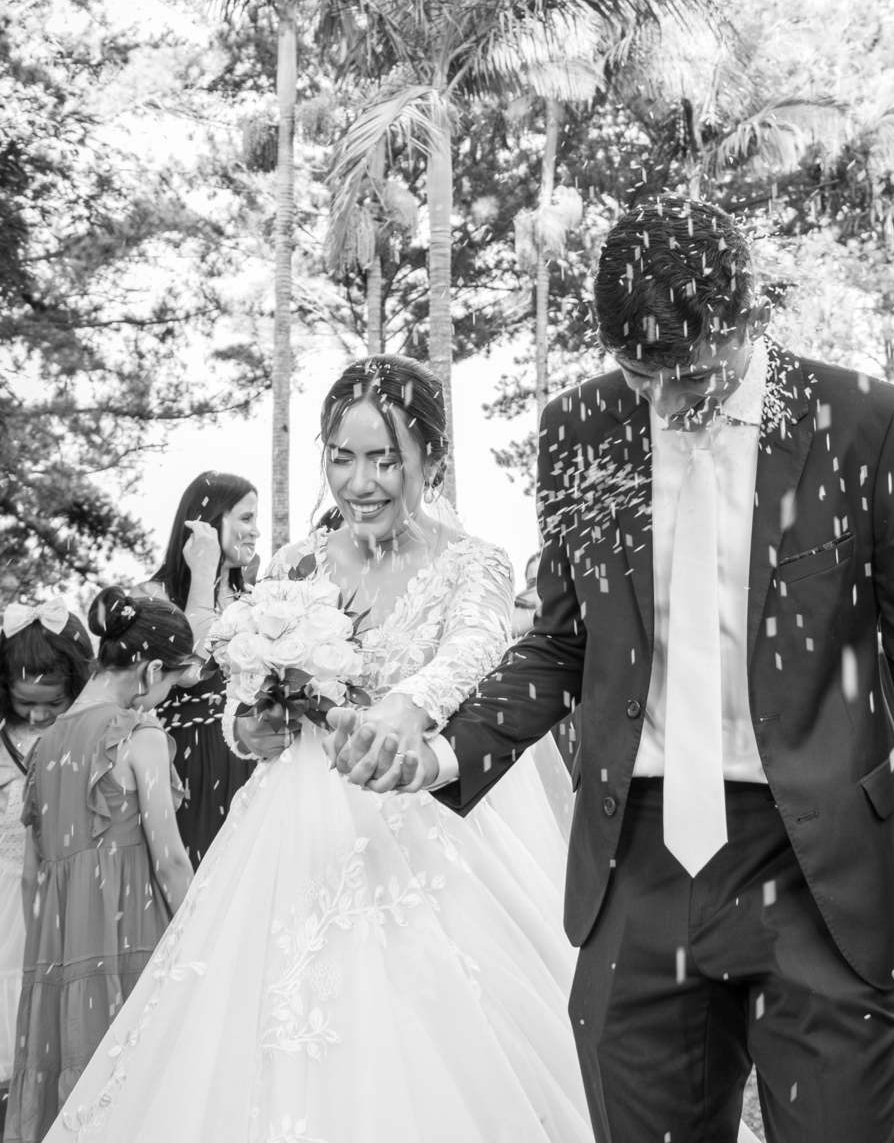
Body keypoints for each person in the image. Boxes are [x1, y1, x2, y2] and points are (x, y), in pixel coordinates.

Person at [344, 198, 894, 1143]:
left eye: (692, 375)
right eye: (639, 374)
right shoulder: (580, 427)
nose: (664, 403)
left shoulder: (864, 422)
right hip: (637, 861)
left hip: (818, 862)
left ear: (749, 320)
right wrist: (446, 747)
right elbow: (564, 641)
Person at [36, 357, 592, 1143]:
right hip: (285, 841)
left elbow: (470, 654)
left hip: (422, 823)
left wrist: (399, 714)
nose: (360, 483)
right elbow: (243, 705)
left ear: (431, 458)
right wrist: (248, 728)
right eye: (342, 458)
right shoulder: (296, 563)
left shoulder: (474, 563)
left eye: (385, 460)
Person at [5, 590, 195, 1143]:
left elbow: (32, 876)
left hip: (59, 955)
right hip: (134, 938)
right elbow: (171, 860)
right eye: (169, 682)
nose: (163, 696)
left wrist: (51, 962)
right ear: (151, 670)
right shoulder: (140, 737)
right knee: (135, 1086)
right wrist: (201, 936)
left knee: (77, 1095)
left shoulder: (44, 748)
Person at [140, 472, 260, 864]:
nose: (256, 531)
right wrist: (204, 575)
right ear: (209, 521)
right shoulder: (151, 597)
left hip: (249, 755)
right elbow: (191, 669)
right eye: (246, 518)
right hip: (186, 759)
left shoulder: (256, 601)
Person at [0, 602, 93, 1109]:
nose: (37, 715)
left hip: (62, 888)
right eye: (23, 702)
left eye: (52, 702)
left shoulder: (83, 735)